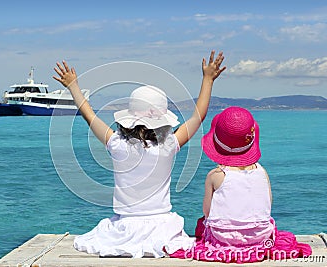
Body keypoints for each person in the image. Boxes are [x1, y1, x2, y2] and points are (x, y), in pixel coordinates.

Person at [52, 51, 226, 258]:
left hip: (124, 228)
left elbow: (89, 115)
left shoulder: (117, 144)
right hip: (162, 227)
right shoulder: (168, 145)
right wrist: (208, 79)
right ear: (163, 119)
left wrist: (73, 86)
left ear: (129, 116)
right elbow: (199, 116)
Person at [168, 106, 312, 263]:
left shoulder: (215, 176)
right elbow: (267, 205)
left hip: (224, 238)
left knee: (201, 224)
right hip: (260, 236)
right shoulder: (262, 172)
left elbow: (207, 213)